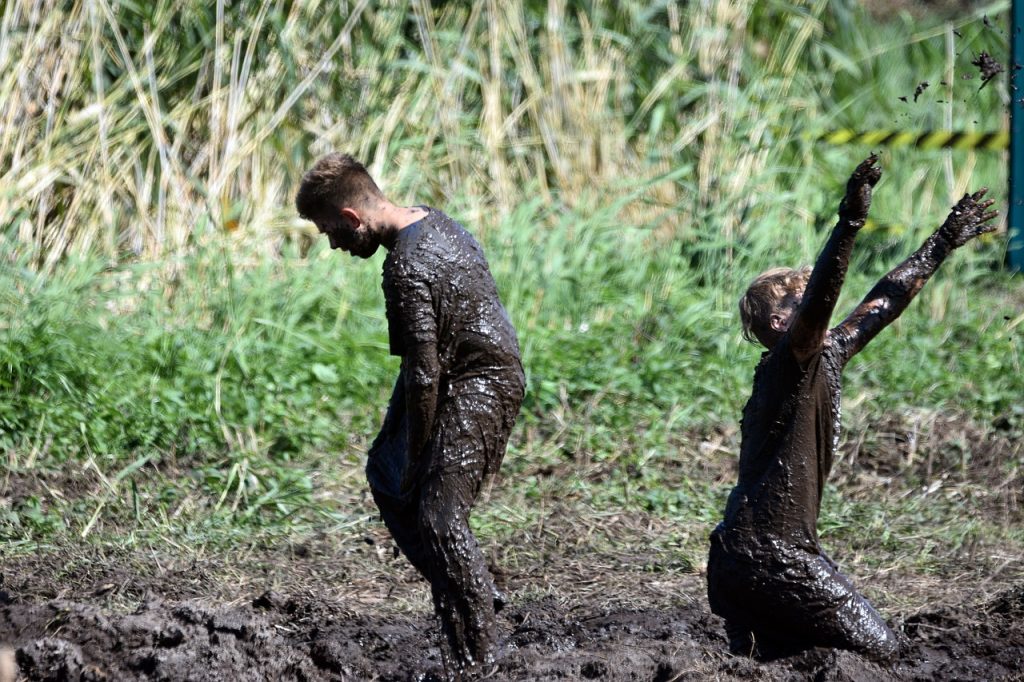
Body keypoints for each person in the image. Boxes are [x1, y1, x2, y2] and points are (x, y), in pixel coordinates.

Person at [706, 154, 998, 661]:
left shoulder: (825, 354)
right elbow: (823, 296)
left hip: (738, 555)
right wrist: (850, 222)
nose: (820, 309)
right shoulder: (789, 363)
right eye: (801, 304)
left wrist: (942, 242)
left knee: (782, 659)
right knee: (887, 653)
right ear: (778, 324)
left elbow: (883, 303)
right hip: (774, 556)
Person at [295, 153, 526, 679]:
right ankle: (470, 586)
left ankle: (476, 658)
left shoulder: (405, 267)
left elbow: (425, 376)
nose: (333, 246)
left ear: (352, 217)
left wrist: (419, 455)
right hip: (458, 365)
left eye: (331, 232)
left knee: (439, 515)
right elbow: (421, 370)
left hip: (481, 379)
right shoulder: (432, 218)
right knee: (385, 471)